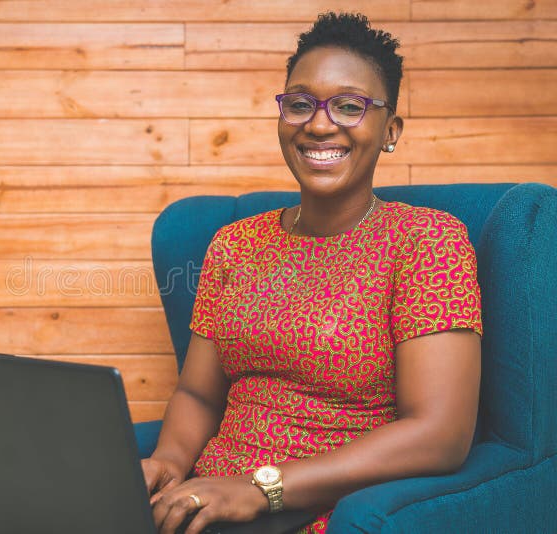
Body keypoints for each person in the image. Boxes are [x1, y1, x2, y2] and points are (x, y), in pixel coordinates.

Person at [141, 12, 483, 534]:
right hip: (203, 504)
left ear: (390, 131)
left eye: (349, 106)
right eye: (300, 103)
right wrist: (167, 462)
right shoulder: (235, 243)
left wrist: (261, 490)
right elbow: (198, 394)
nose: (319, 124)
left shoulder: (426, 242)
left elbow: (439, 434)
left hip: (317, 508)